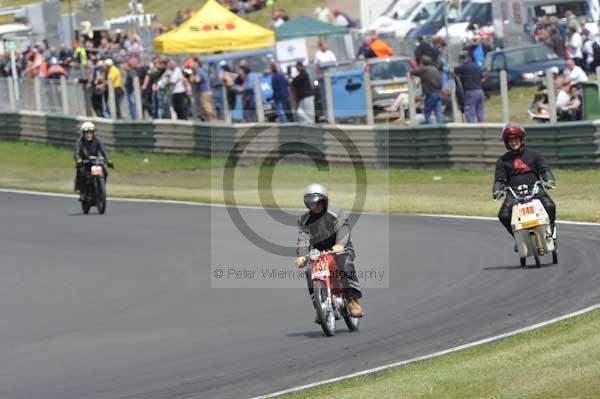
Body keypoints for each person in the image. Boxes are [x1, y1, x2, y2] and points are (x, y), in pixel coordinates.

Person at [294, 183, 363, 318]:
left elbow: (343, 228)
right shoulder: (304, 219)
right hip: (319, 253)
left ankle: (352, 300)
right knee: (309, 271)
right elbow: (303, 238)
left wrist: (340, 245)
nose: (314, 206)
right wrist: (301, 255)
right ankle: (319, 307)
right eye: (310, 204)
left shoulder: (336, 212)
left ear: (324, 200)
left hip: (340, 249)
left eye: (317, 203)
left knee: (344, 263)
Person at [493, 123, 556, 240]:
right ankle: (518, 237)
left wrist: (549, 180)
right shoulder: (502, 160)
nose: (513, 142)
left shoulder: (535, 154)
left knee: (550, 206)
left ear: (521, 139)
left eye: (516, 139)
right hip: (514, 194)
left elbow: (545, 170)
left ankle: (551, 229)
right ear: (507, 142)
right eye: (510, 140)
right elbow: (499, 179)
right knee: (504, 215)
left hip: (535, 189)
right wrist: (497, 190)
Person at [74, 122, 114, 200]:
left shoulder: (98, 141)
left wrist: (108, 160)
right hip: (84, 163)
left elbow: (104, 151)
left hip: (96, 162)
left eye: (90, 132)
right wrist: (78, 159)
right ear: (83, 133)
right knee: (82, 172)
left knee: (105, 171)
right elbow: (76, 153)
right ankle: (83, 192)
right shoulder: (79, 142)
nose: (88, 135)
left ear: (93, 133)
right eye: (86, 133)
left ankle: (101, 188)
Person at [411, 55, 443, 124]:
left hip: (431, 93)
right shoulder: (435, 69)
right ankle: (441, 128)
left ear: (422, 63)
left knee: (426, 112)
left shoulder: (424, 69)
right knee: (438, 112)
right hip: (439, 93)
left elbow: (412, 72)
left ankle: (430, 128)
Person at [453, 53, 484, 123]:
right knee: (480, 111)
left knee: (469, 112)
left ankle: (471, 130)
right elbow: (482, 78)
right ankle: (482, 128)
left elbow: (454, 70)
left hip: (471, 92)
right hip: (480, 91)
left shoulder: (464, 67)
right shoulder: (478, 67)